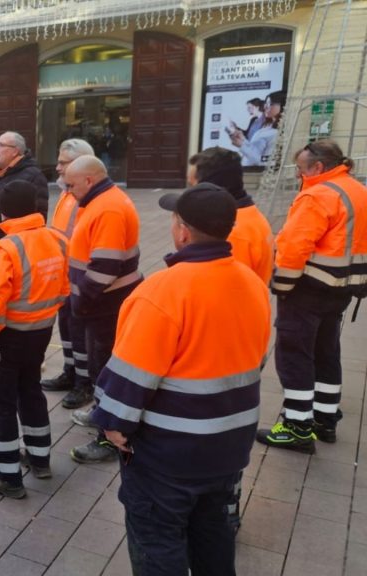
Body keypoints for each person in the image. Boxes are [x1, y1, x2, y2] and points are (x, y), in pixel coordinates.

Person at [91, 183, 271, 575]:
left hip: (168, 456)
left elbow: (129, 378)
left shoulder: (162, 290)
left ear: (182, 230)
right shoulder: (252, 284)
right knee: (212, 535)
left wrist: (112, 426)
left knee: (158, 544)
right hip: (229, 448)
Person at [257, 140, 367, 452]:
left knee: (294, 353)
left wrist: (281, 286)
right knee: (326, 350)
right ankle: (325, 418)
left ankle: (296, 427)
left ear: (317, 167)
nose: (297, 173)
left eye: (301, 167)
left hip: (310, 288)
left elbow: (294, 248)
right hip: (344, 288)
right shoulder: (357, 190)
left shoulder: (318, 195)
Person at [0, 181, 69, 497]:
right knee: (30, 391)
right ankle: (40, 458)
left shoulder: (5, 248)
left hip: (7, 338)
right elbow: (65, 289)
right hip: (41, 332)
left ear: (4, 211)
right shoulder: (57, 239)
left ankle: (7, 473)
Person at [60, 156, 142, 464]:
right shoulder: (101, 201)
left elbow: (105, 267)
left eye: (70, 185)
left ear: (89, 181)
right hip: (104, 302)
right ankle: (102, 415)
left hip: (106, 304)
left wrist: (81, 302)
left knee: (106, 369)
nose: (67, 192)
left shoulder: (107, 207)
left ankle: (107, 437)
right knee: (101, 366)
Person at [41, 139, 95, 397]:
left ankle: (84, 384)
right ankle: (70, 371)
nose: (58, 167)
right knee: (67, 327)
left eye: (64, 163)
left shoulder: (86, 200)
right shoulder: (67, 193)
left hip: (80, 278)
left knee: (80, 330)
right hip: (64, 276)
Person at [187, 147, 274, 284]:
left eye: (193, 186)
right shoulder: (248, 215)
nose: (189, 194)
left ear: (210, 187)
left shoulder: (231, 233)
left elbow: (225, 289)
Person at [231, 91, 286, 167]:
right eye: (265, 104)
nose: (265, 107)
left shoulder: (273, 133)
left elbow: (260, 160)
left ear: (283, 106)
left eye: (270, 104)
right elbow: (255, 150)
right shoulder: (263, 128)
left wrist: (242, 145)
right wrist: (243, 140)